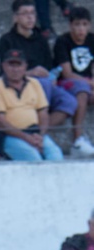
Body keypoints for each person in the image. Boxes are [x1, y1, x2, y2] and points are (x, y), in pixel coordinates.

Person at [0, 1, 91, 155]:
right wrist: (30, 72)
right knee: (43, 85)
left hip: (45, 83)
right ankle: (36, 135)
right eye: (25, 13)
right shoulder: (7, 40)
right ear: (16, 17)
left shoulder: (40, 38)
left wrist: (51, 75)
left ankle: (36, 133)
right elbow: (4, 70)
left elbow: (49, 65)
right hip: (22, 83)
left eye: (32, 13)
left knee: (69, 102)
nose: (30, 18)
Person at [0, 47, 64, 159]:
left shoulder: (34, 83)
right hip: (8, 135)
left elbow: (43, 113)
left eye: (19, 65)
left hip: (34, 132)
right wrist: (27, 138)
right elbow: (0, 121)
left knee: (56, 154)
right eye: (11, 65)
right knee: (33, 157)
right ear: (3, 66)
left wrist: (40, 136)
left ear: (25, 66)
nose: (15, 69)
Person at [53, 6, 94, 151]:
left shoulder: (92, 40)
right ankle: (77, 139)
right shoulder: (63, 42)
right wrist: (90, 83)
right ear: (70, 26)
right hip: (66, 83)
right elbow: (67, 73)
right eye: (77, 25)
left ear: (89, 25)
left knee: (85, 90)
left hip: (87, 82)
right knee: (82, 92)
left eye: (84, 24)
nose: (81, 29)